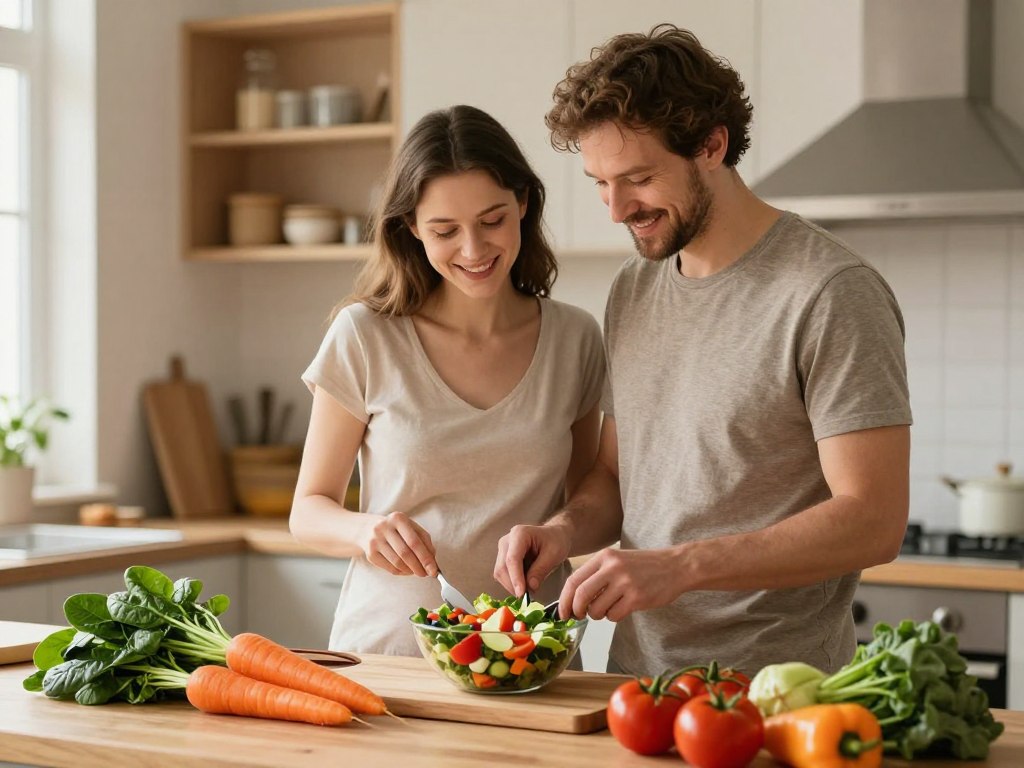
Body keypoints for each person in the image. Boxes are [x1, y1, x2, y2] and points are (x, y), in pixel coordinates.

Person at [493, 24, 912, 677]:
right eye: (600, 182)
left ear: (711, 146)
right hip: (637, 686)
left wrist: (682, 567)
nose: (616, 209)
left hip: (782, 693)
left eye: (637, 178)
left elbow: (874, 520)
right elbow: (613, 475)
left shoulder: (829, 293)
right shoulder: (634, 289)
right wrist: (564, 532)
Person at [290, 105, 605, 657]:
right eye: (445, 230)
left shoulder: (574, 339)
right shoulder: (365, 335)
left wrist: (561, 533)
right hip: (390, 656)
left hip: (533, 657)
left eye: (492, 221)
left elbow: (590, 506)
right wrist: (365, 531)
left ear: (523, 204)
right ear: (411, 227)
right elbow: (308, 510)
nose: (474, 249)